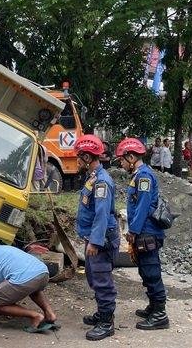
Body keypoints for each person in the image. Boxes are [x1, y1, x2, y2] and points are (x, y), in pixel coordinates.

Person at [115, 138, 170, 330]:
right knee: (145, 270)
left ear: (131, 157)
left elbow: (143, 206)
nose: (120, 164)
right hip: (144, 230)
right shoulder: (138, 175)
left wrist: (133, 230)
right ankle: (153, 306)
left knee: (151, 271)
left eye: (121, 160)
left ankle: (160, 314)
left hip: (147, 231)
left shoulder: (144, 176)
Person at [72, 135, 119, 341]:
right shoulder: (93, 177)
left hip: (100, 238)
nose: (77, 160)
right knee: (93, 275)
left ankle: (107, 323)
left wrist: (95, 241)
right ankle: (103, 313)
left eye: (79, 157)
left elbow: (102, 213)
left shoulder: (102, 181)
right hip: (92, 235)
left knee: (101, 279)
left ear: (87, 156)